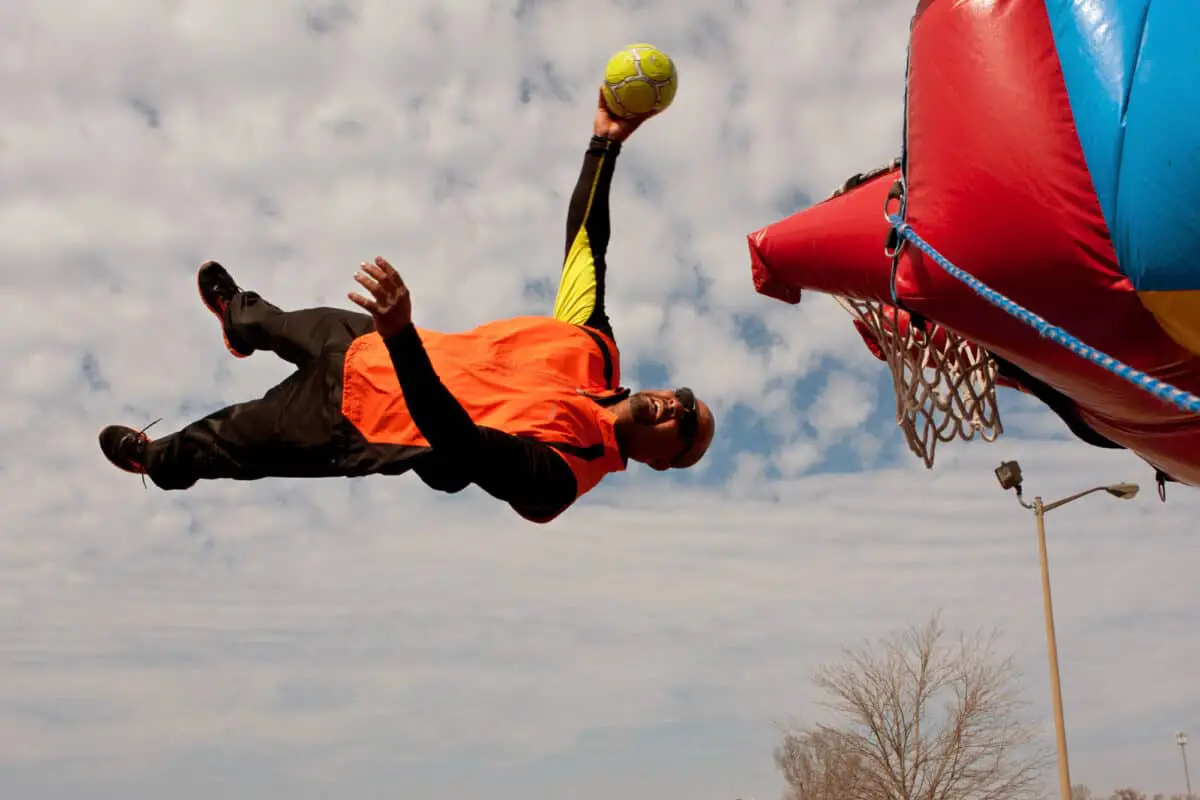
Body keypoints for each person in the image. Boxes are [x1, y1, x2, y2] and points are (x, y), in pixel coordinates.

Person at [98, 87, 717, 523]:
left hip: (354, 423)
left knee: (221, 441)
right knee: (277, 322)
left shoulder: (562, 474)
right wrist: (604, 142)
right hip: (368, 341)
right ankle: (238, 320)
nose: (676, 406)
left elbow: (459, 440)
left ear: (662, 462)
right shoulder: (593, 352)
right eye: (686, 397)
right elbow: (586, 248)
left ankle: (156, 460)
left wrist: (401, 336)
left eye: (685, 426)